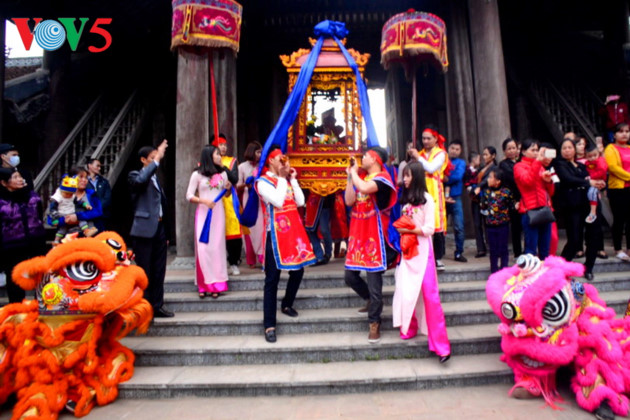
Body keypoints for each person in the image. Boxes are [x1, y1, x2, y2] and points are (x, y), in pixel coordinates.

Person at [392, 161, 451, 363]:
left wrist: (408, 230)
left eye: (408, 175)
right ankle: (409, 327)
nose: (405, 179)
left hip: (424, 253)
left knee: (430, 297)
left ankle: (441, 346)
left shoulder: (427, 199)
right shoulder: (405, 201)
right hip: (408, 252)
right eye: (404, 175)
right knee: (405, 291)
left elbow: (429, 229)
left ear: (416, 176)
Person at [256, 146, 316, 343]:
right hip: (274, 235)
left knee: (298, 272)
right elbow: (278, 201)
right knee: (272, 279)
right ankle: (269, 325)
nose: (283, 162)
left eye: (284, 159)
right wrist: (282, 178)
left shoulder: (286, 181)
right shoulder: (262, 182)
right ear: (271, 161)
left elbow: (300, 201)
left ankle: (287, 303)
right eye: (279, 159)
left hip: (293, 234)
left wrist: (293, 179)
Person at [345, 146, 397, 343]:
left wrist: (353, 172)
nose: (362, 158)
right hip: (358, 234)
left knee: (375, 283)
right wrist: (350, 177)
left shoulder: (383, 178)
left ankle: (374, 322)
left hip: (375, 236)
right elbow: (349, 200)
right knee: (350, 277)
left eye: (365, 155)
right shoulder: (361, 177)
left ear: (374, 159)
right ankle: (369, 300)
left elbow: (366, 189)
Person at [128, 140, 174, 318]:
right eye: (153, 157)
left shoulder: (155, 179)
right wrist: (157, 160)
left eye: (157, 157)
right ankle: (144, 307)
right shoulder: (134, 175)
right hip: (143, 230)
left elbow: (162, 205)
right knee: (144, 270)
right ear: (143, 160)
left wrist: (167, 232)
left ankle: (157, 305)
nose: (157, 160)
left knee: (159, 270)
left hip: (159, 228)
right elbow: (141, 181)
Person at [555, 138, 605, 280]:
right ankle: (561, 268)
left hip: (589, 205)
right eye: (564, 148)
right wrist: (589, 182)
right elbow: (568, 179)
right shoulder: (560, 164)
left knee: (593, 237)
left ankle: (588, 268)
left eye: (570, 147)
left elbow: (591, 180)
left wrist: (600, 184)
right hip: (572, 206)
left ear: (575, 149)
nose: (567, 150)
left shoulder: (582, 166)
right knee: (574, 239)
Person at [186, 145, 231, 299]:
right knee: (203, 248)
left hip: (218, 214)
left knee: (217, 248)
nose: (219, 156)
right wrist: (204, 201)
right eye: (216, 154)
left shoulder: (223, 173)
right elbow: (189, 195)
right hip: (204, 214)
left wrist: (228, 188)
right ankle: (203, 284)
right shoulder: (197, 175)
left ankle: (217, 284)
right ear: (208, 156)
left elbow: (226, 194)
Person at [0, 167, 46, 303]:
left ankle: (42, 303)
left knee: (41, 273)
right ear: (4, 183)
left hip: (36, 240)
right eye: (15, 177)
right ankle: (17, 307)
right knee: (15, 276)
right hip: (12, 244)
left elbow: (39, 215)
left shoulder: (33, 196)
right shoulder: (2, 201)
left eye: (20, 176)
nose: (20, 179)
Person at [409, 127, 449, 270]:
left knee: (436, 224)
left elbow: (431, 168)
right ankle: (423, 256)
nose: (425, 141)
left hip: (434, 192)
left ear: (435, 139)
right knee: (420, 222)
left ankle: (438, 258)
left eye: (428, 138)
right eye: (423, 138)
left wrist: (418, 158)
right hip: (420, 190)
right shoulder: (419, 153)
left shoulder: (441, 154)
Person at [514, 139, 555, 259]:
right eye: (533, 150)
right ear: (523, 152)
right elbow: (527, 181)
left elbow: (550, 192)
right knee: (531, 249)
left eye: (537, 150)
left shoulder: (540, 166)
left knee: (545, 249)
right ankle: (531, 270)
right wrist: (537, 162)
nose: (536, 153)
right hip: (529, 210)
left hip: (544, 209)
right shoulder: (518, 166)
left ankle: (543, 270)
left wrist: (549, 182)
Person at [212, 134, 242, 276]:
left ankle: (234, 262)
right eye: (220, 145)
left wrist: (222, 166)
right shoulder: (207, 162)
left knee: (233, 233)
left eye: (224, 145)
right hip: (214, 200)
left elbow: (235, 179)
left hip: (229, 200)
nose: (223, 147)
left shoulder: (231, 161)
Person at [51, 166, 103, 238]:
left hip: (89, 235)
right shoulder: (62, 196)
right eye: (81, 177)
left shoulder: (91, 194)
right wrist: (66, 220)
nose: (84, 180)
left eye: (86, 177)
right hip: (68, 236)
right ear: (72, 179)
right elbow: (51, 219)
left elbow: (98, 211)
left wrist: (77, 217)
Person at [479, 168, 514, 273]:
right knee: (493, 250)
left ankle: (504, 271)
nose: (488, 180)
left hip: (503, 224)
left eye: (490, 177)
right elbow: (483, 206)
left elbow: (511, 206)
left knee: (503, 249)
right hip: (490, 225)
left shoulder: (506, 192)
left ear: (498, 181)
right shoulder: (486, 192)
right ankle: (494, 271)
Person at [604, 122, 630, 262]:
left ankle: (629, 249)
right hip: (618, 189)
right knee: (619, 219)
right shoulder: (610, 148)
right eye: (621, 131)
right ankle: (618, 249)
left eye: (627, 131)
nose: (624, 134)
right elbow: (613, 168)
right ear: (614, 135)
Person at [237, 141, 264, 268]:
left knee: (261, 228)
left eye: (261, 152)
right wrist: (246, 185)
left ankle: (262, 256)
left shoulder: (263, 165)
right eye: (258, 152)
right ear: (252, 152)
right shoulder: (242, 167)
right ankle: (251, 259)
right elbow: (238, 185)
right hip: (248, 200)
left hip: (261, 199)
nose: (260, 154)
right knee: (249, 229)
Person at [498, 138, 523, 257]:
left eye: (514, 148)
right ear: (504, 151)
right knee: (516, 226)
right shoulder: (504, 164)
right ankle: (518, 252)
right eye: (509, 149)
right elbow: (513, 178)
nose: (512, 151)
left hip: (523, 197)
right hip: (512, 198)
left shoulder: (520, 162)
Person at [444, 140, 467, 262]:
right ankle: (439, 252)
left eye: (457, 149)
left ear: (460, 151)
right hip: (442, 198)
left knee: (459, 226)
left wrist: (445, 178)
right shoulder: (442, 160)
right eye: (452, 148)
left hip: (455, 197)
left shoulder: (461, 163)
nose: (454, 151)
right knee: (440, 227)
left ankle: (459, 252)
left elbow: (458, 176)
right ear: (448, 148)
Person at [464, 152, 487, 258]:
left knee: (486, 223)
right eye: (478, 159)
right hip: (475, 200)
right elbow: (466, 184)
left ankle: (488, 246)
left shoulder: (481, 170)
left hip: (484, 199)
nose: (480, 161)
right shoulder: (467, 171)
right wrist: (472, 190)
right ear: (474, 159)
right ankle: (480, 248)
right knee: (477, 224)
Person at [584, 143, 608, 224]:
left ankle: (593, 212)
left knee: (591, 192)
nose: (592, 158)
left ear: (599, 154)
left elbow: (602, 171)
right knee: (590, 193)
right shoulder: (587, 163)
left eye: (595, 155)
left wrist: (591, 177)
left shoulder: (601, 161)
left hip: (599, 180)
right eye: (589, 156)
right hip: (593, 181)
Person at [86, 158, 112, 231]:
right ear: (90, 165)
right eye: (97, 166)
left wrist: (97, 208)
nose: (99, 168)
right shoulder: (83, 181)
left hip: (102, 216)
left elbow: (107, 198)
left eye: (100, 166)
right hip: (88, 216)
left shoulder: (104, 181)